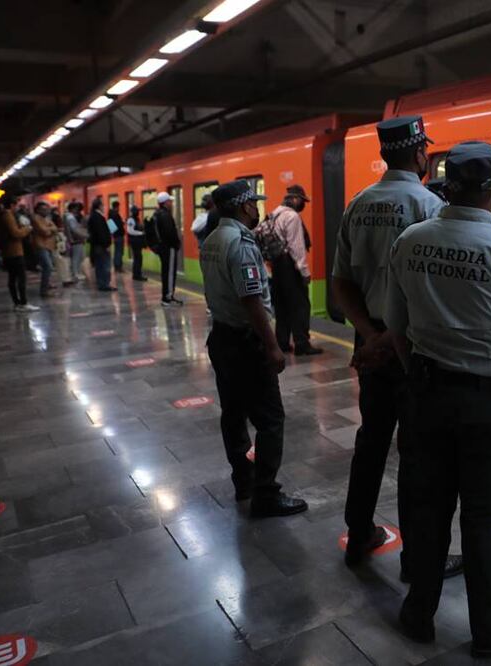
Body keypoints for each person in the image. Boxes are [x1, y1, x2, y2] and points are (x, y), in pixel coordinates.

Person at [386, 141, 491, 657]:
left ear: (446, 185)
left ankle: (418, 613)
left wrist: (418, 371)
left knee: (428, 508)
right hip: (487, 406)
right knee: (482, 519)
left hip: (425, 396)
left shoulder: (411, 240)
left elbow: (395, 328)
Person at [333, 115, 462, 583]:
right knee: (416, 450)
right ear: (420, 153)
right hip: (412, 344)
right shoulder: (429, 205)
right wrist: (392, 338)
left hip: (372, 344)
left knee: (371, 439)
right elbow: (431, 289)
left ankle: (359, 532)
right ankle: (418, 558)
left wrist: (370, 337)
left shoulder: (357, 205)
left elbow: (341, 283)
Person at [201, 179, 308, 518]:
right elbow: (252, 301)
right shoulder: (241, 244)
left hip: (221, 337)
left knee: (233, 413)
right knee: (270, 419)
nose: (257, 207)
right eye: (254, 203)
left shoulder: (213, 239)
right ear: (246, 206)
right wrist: (273, 346)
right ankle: (266, 493)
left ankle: (243, 481)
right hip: (246, 342)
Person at [262, 185, 323, 355]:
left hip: (277, 266)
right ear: (295, 199)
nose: (303, 205)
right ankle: (302, 344)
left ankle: (282, 342)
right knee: (300, 306)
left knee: (281, 306)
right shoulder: (292, 216)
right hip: (290, 266)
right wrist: (304, 272)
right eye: (303, 201)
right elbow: (296, 247)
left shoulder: (275, 213)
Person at [1, 197, 38, 313]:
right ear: (12, 205)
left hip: (9, 251)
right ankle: (22, 303)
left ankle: (18, 303)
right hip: (14, 251)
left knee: (13, 278)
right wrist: (27, 229)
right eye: (17, 205)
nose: (17, 208)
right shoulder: (8, 216)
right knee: (20, 278)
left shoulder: (4, 215)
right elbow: (15, 233)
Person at [155, 192, 183, 306]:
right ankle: (168, 297)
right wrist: (176, 244)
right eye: (170, 201)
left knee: (166, 271)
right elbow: (169, 233)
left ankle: (167, 295)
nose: (171, 203)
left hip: (163, 247)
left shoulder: (158, 214)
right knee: (169, 272)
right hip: (168, 248)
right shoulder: (165, 215)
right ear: (165, 202)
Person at [192, 193, 219, 297]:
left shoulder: (199, 219)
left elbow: (195, 229)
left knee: (208, 278)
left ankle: (210, 302)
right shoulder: (210, 217)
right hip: (214, 251)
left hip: (204, 251)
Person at [87, 197, 116, 292]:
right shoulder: (97, 217)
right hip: (101, 246)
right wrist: (106, 245)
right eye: (103, 205)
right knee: (104, 265)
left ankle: (102, 284)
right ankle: (104, 284)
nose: (104, 207)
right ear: (99, 206)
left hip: (98, 246)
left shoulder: (95, 216)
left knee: (101, 265)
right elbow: (100, 233)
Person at [32, 202, 58, 298]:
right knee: (48, 266)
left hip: (48, 245)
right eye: (43, 209)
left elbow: (55, 228)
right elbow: (45, 232)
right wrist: (51, 229)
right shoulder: (36, 219)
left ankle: (47, 286)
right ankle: (44, 290)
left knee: (48, 266)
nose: (46, 211)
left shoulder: (47, 218)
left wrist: (50, 229)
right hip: (41, 245)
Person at [65, 201, 89, 281]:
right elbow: (74, 229)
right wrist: (85, 235)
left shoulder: (68, 216)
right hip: (76, 240)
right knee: (76, 258)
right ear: (73, 209)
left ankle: (76, 273)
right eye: (76, 208)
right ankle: (75, 274)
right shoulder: (70, 217)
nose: (78, 210)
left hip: (75, 239)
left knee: (78, 257)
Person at [51, 208, 74, 287]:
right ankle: (65, 280)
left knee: (63, 264)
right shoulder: (58, 232)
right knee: (63, 264)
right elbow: (61, 244)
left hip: (60, 249)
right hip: (60, 250)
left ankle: (66, 279)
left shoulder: (58, 231)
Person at [126, 204, 147, 281]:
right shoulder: (131, 220)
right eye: (137, 211)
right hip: (134, 242)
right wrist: (141, 233)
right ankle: (137, 275)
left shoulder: (136, 219)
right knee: (138, 258)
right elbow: (130, 231)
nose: (138, 212)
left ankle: (137, 274)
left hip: (137, 242)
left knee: (138, 258)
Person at [110, 200, 125, 274]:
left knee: (117, 251)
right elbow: (118, 225)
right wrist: (122, 223)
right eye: (118, 207)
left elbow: (111, 226)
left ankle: (117, 266)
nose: (119, 208)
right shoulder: (115, 214)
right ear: (116, 207)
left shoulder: (110, 214)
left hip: (115, 235)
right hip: (119, 235)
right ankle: (118, 267)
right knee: (119, 252)